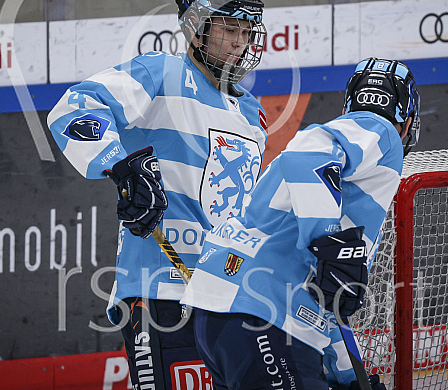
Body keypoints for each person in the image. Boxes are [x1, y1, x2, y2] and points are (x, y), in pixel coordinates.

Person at [47, 0, 268, 388]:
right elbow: (74, 108)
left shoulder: (252, 115)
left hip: (225, 296)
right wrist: (120, 165)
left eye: (247, 31)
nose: (240, 42)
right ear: (197, 25)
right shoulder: (161, 73)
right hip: (158, 289)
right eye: (229, 28)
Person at [180, 57, 421, 390]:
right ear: (408, 123)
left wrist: (349, 377)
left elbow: (327, 295)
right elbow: (307, 151)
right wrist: (331, 243)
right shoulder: (382, 135)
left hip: (220, 313)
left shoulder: (332, 181)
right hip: (264, 312)